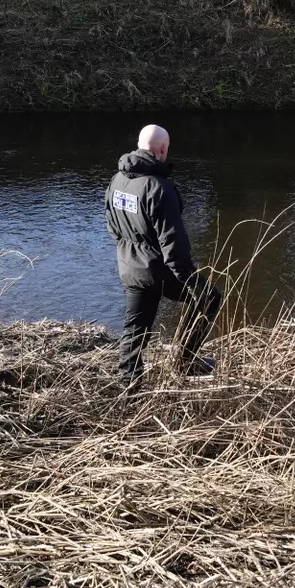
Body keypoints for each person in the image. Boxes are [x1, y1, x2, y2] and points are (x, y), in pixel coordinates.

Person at [104, 124, 223, 390]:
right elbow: (173, 245)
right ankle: (186, 361)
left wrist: (128, 253)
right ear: (162, 149)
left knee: (135, 329)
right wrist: (189, 278)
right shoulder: (160, 188)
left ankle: (128, 387)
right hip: (158, 270)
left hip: (130, 267)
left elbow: (111, 225)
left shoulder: (116, 180)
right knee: (209, 296)